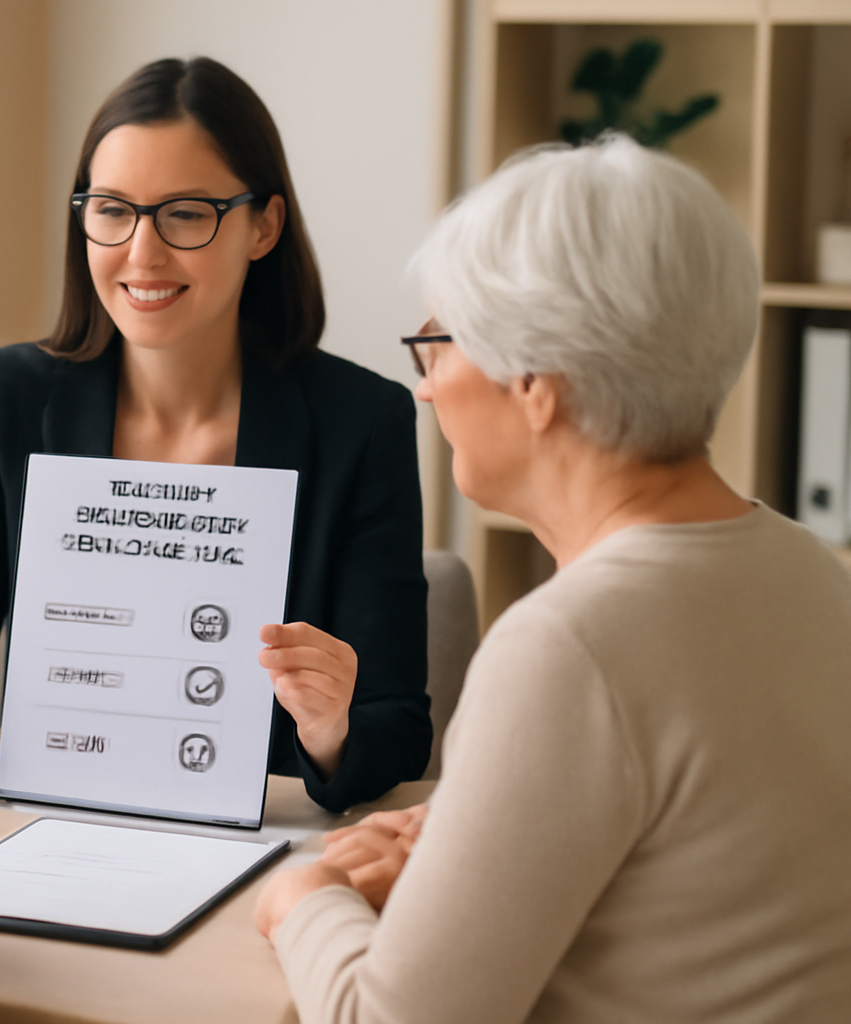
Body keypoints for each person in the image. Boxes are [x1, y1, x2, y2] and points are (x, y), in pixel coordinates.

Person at [255, 136, 851, 1022]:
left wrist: (301, 897)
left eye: (438, 343)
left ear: (533, 380)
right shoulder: (810, 570)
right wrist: (467, 838)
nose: (424, 389)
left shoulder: (569, 647)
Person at [0, 57, 430, 813]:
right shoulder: (4, 399)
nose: (142, 253)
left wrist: (330, 726)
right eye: (112, 210)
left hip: (265, 843)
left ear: (262, 226)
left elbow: (400, 730)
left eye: (185, 213)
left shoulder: (361, 423)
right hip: (53, 823)